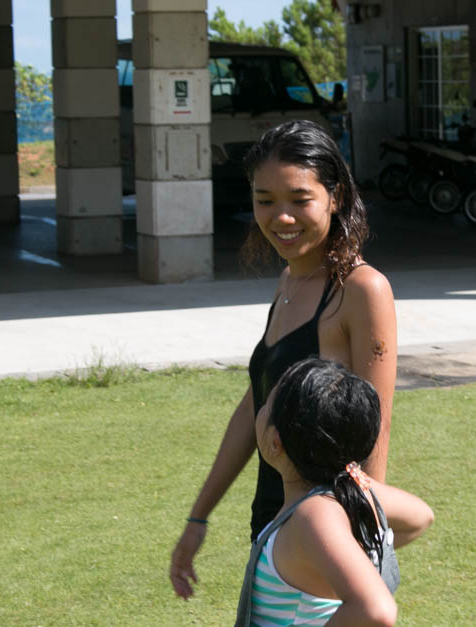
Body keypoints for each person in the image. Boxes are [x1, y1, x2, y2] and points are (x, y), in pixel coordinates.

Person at [170, 120, 398, 598]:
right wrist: (198, 515)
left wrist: (365, 540)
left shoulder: (361, 290)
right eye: (265, 200)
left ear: (334, 197)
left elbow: (375, 429)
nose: (282, 218)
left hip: (326, 532)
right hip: (273, 523)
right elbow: (257, 401)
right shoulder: (289, 283)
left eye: (300, 199)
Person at [236, 358, 432, 626]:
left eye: (267, 404)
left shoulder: (314, 515)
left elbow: (377, 610)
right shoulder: (327, 505)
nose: (261, 409)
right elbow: (420, 516)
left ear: (275, 442)